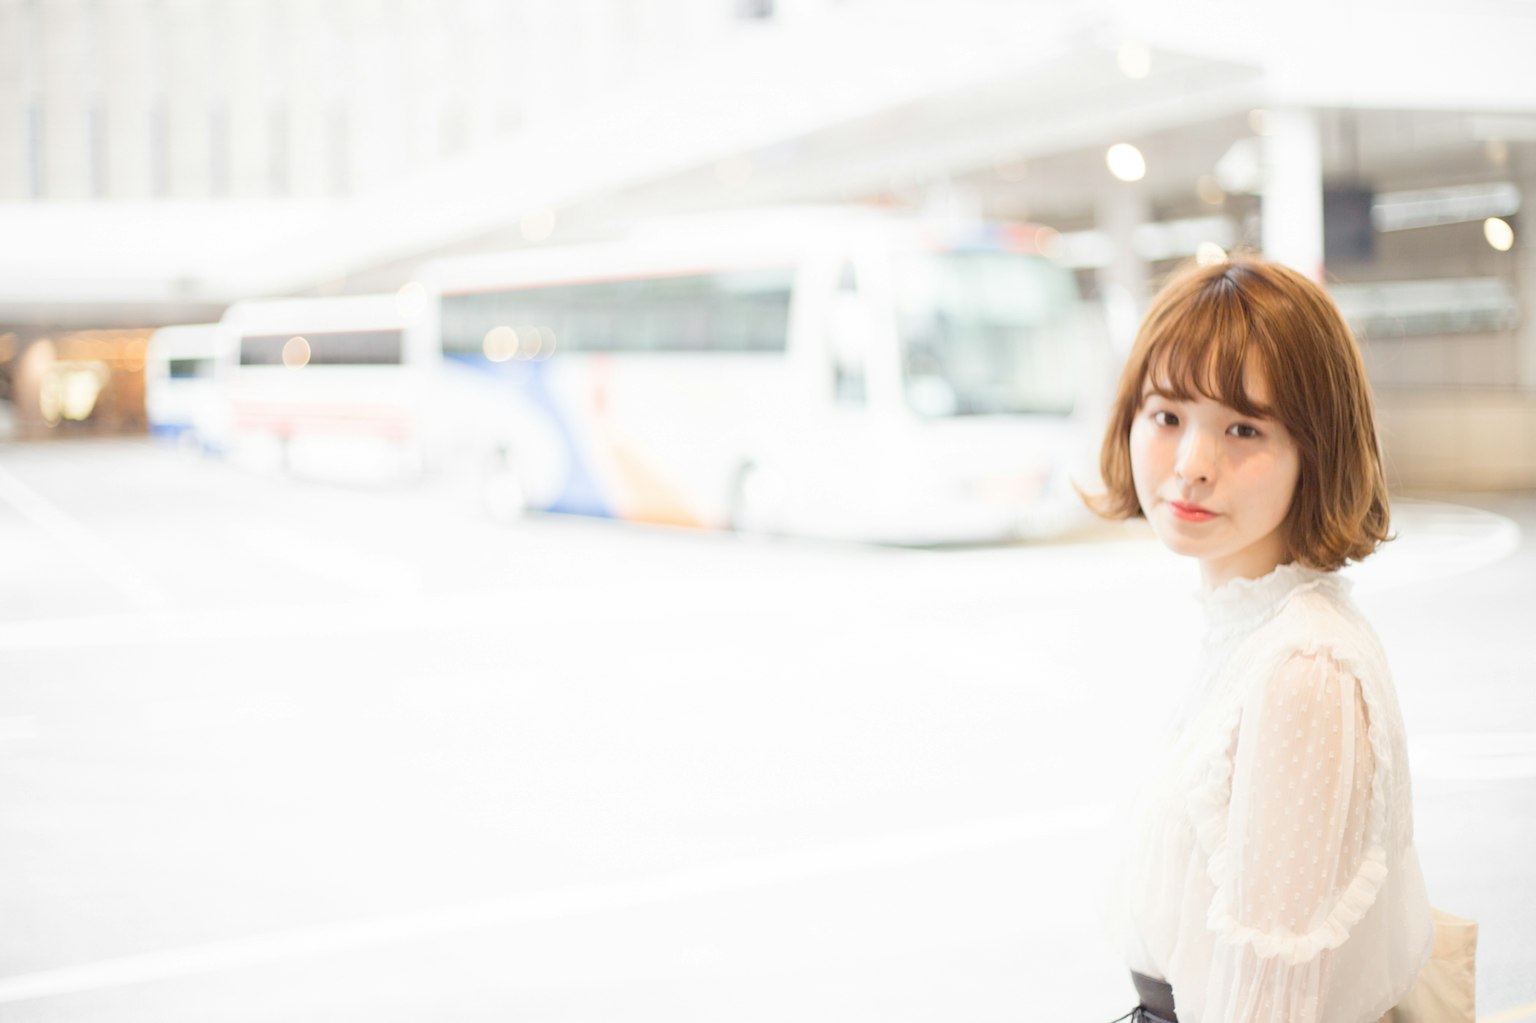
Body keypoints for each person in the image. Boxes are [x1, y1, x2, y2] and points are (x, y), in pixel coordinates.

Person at [1085, 257, 1434, 1023]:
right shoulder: (1253, 630)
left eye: (1243, 428)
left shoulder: (1303, 667)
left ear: (1318, 447)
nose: (1189, 467)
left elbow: (1271, 1004)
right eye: (1167, 415)